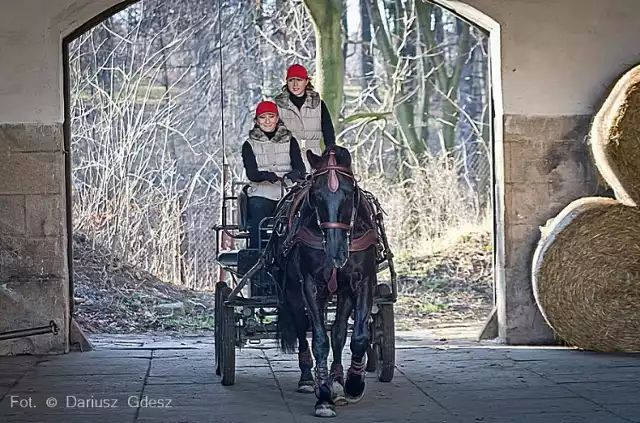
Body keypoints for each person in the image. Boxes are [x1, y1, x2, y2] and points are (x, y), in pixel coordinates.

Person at [242, 100, 306, 249]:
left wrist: (293, 176)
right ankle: (257, 253)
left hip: (288, 192)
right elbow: (251, 173)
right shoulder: (249, 144)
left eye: (271, 116)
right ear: (257, 121)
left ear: (277, 119)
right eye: (263, 117)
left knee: (302, 214)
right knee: (258, 211)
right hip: (262, 192)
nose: (267, 121)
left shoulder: (290, 141)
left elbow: (300, 168)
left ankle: (298, 249)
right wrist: (266, 176)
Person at [274, 64, 336, 172]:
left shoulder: (318, 105)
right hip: (287, 160)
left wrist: (330, 153)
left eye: (299, 80)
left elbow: (328, 131)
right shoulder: (278, 107)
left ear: (306, 81)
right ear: (286, 82)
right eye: (291, 80)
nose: (295, 84)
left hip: (314, 158)